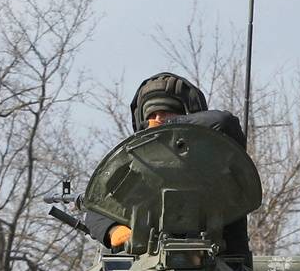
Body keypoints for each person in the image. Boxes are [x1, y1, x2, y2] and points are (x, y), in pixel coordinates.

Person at [83, 71, 253, 261]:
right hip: (149, 269)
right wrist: (113, 230)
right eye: (152, 116)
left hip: (221, 266)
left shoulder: (216, 157)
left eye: (165, 113)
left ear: (187, 116)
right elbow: (97, 207)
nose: (157, 119)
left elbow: (223, 122)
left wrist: (170, 125)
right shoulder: (137, 166)